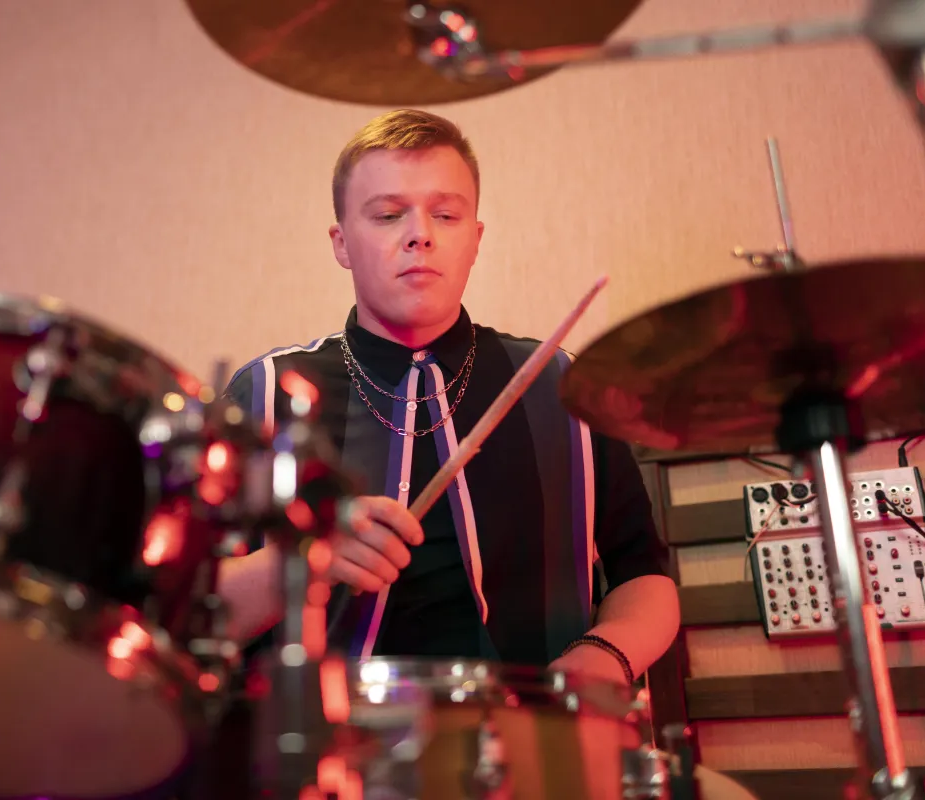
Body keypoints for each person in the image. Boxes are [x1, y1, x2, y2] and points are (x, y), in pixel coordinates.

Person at [217, 109, 679, 686]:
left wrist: (605, 655)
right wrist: (304, 561)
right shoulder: (266, 395)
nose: (420, 234)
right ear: (341, 243)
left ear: (475, 239)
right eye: (388, 215)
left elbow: (645, 576)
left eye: (445, 214)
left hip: (533, 729)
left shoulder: (563, 385)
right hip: (323, 733)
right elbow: (192, 614)